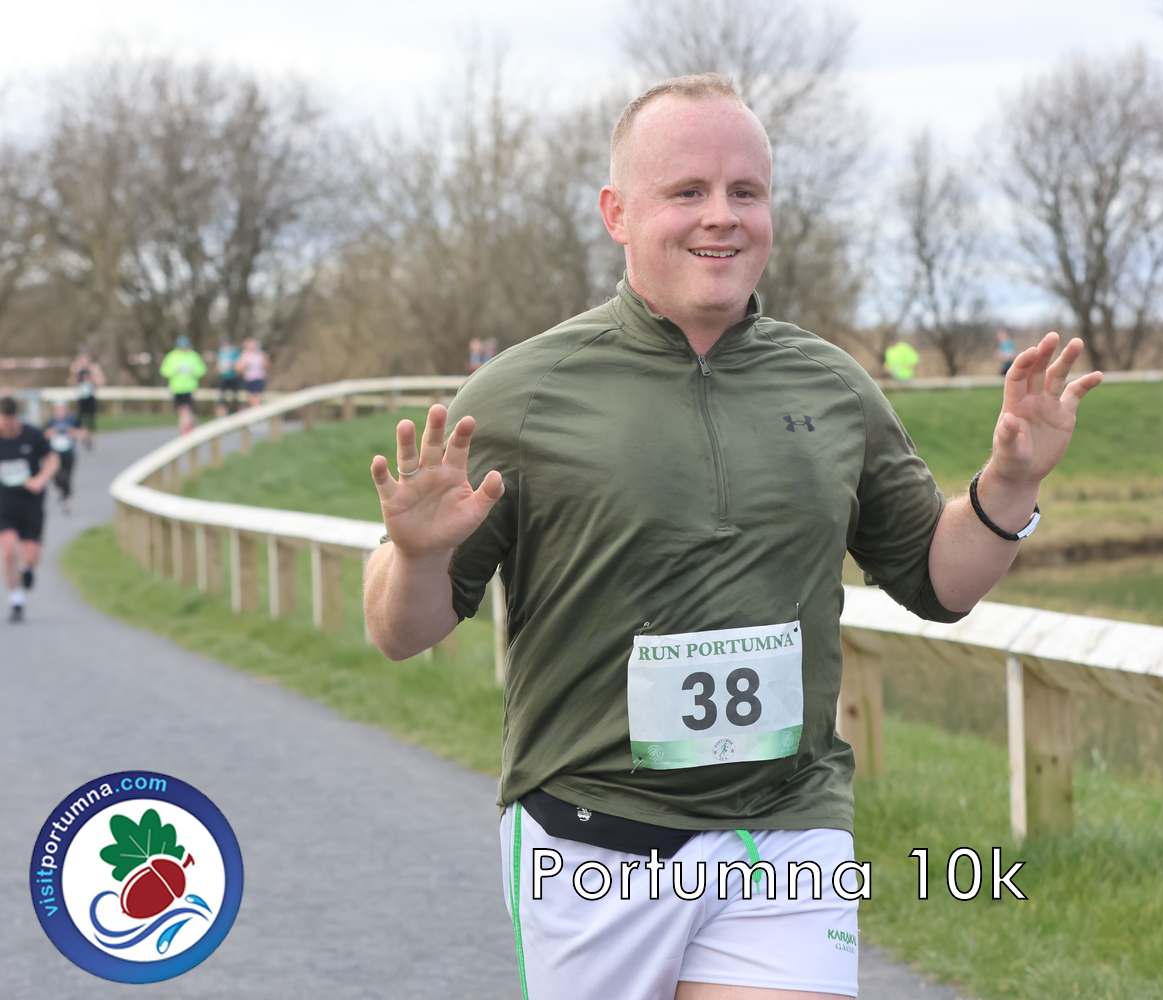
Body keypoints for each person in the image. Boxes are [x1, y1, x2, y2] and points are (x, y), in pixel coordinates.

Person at [361, 74, 1102, 1000]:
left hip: (788, 830)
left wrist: (1013, 482)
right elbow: (401, 633)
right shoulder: (520, 395)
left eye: (745, 191)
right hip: (594, 841)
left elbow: (940, 583)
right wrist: (419, 553)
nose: (722, 216)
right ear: (617, 212)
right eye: (688, 191)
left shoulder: (833, 387)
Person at [1, 396, 60, 623]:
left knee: (31, 554)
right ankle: (16, 600)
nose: (7, 425)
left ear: (17, 417)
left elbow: (52, 459)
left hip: (31, 503)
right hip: (4, 503)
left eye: (11, 420)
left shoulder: (33, 435)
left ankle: (27, 569)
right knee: (8, 551)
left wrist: (41, 480)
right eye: (3, 420)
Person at [159, 336, 207, 435]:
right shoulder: (172, 356)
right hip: (176, 388)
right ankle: (188, 428)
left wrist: (192, 371)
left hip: (190, 388)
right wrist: (175, 371)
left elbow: (202, 370)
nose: (183, 348)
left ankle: (185, 431)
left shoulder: (193, 356)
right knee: (182, 410)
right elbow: (164, 371)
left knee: (186, 409)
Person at [43, 401, 80, 515]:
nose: (61, 412)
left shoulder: (72, 420)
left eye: (63, 409)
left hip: (69, 453)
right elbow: (43, 436)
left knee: (66, 477)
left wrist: (72, 432)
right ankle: (63, 493)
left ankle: (66, 499)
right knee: (57, 477)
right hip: (55, 454)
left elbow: (82, 433)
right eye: (58, 410)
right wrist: (50, 433)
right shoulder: (50, 421)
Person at [68, 349, 106, 451]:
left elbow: (101, 383)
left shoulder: (94, 369)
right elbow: (71, 383)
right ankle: (84, 436)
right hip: (80, 398)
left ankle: (88, 437)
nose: (84, 361)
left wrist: (94, 375)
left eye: (85, 359)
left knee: (90, 420)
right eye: (82, 359)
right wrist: (74, 373)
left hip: (91, 398)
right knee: (79, 420)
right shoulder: (77, 370)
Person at [236, 337, 269, 408]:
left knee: (257, 398)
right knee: (251, 399)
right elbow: (238, 369)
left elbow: (266, 366)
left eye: (253, 344)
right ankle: (255, 411)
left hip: (259, 378)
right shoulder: (244, 355)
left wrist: (264, 361)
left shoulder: (260, 354)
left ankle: (257, 412)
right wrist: (244, 366)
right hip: (248, 379)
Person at [214, 336, 243, 417]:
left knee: (236, 398)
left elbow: (239, 366)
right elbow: (217, 366)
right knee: (221, 398)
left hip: (234, 377)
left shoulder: (235, 352)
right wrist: (219, 369)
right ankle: (222, 416)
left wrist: (232, 365)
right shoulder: (220, 352)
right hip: (224, 378)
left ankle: (236, 414)